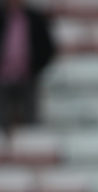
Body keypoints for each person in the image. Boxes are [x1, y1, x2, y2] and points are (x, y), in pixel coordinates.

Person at [0, 0, 55, 135]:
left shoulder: (35, 18)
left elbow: (47, 47)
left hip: (28, 76)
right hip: (2, 77)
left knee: (31, 120)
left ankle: (31, 147)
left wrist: (35, 68)